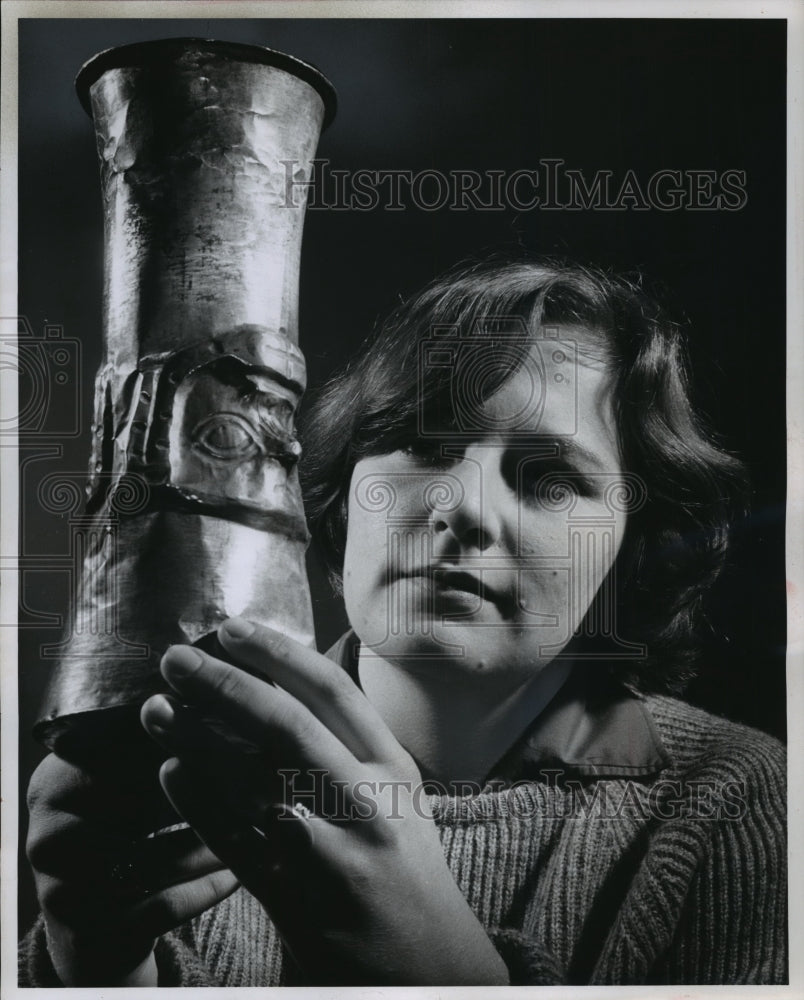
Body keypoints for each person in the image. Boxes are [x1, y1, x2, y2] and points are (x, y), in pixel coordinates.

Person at [20, 257, 787, 986]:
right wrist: (100, 972)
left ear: (632, 551)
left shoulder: (742, 801)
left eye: (549, 478)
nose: (463, 508)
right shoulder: (178, 770)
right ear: (343, 499)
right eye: (423, 443)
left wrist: (444, 971)